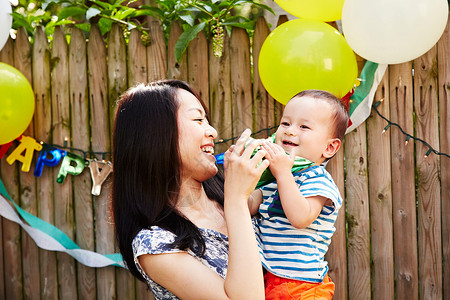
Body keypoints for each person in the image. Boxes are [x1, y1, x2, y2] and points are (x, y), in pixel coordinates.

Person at [112, 80, 269, 299]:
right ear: (156, 135)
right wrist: (236, 201)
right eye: (198, 119)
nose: (212, 131)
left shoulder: (237, 196)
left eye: (207, 120)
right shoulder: (155, 244)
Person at [248, 89, 349, 299]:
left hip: (301, 286)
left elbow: (300, 217)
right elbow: (247, 206)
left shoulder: (317, 180)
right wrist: (241, 173)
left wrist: (283, 173)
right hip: (265, 278)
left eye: (304, 126)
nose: (290, 131)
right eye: (285, 123)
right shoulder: (273, 179)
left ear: (329, 147)